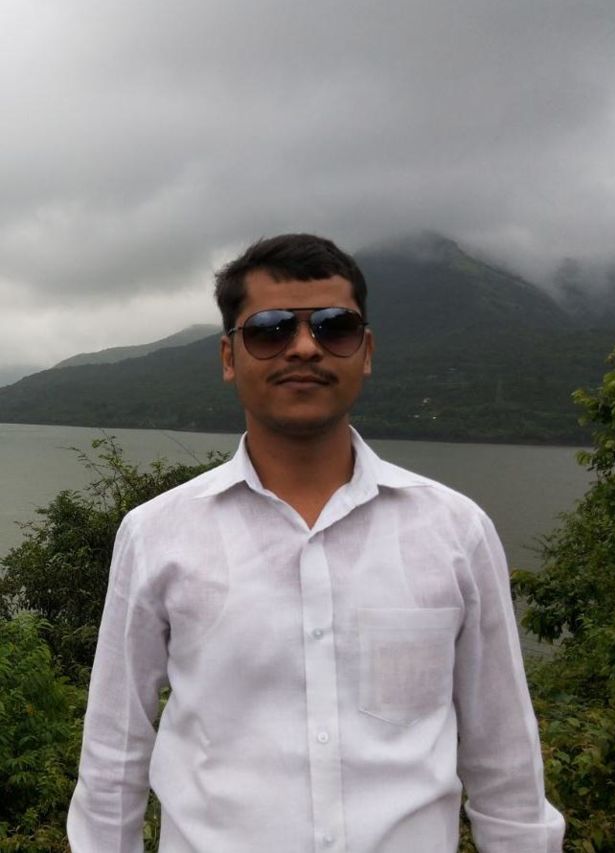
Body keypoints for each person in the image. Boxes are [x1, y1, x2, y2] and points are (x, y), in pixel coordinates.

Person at [68, 233, 564, 852]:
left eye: (334, 326)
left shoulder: (455, 531)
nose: (304, 347)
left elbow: (505, 764)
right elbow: (113, 756)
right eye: (269, 330)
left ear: (366, 351)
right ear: (228, 356)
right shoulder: (158, 533)